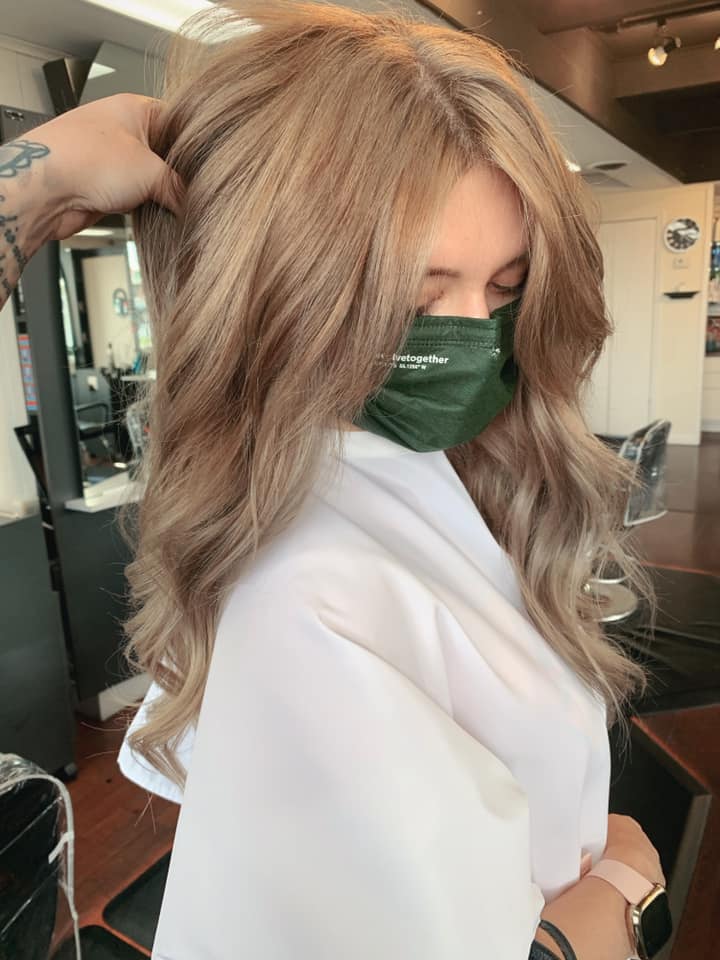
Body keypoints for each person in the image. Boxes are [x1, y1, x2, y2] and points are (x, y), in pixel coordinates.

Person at [1, 2, 668, 958]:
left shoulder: (432, 473)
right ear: (292, 290)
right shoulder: (312, 592)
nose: (472, 333)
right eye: (417, 296)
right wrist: (626, 893)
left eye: (505, 286)